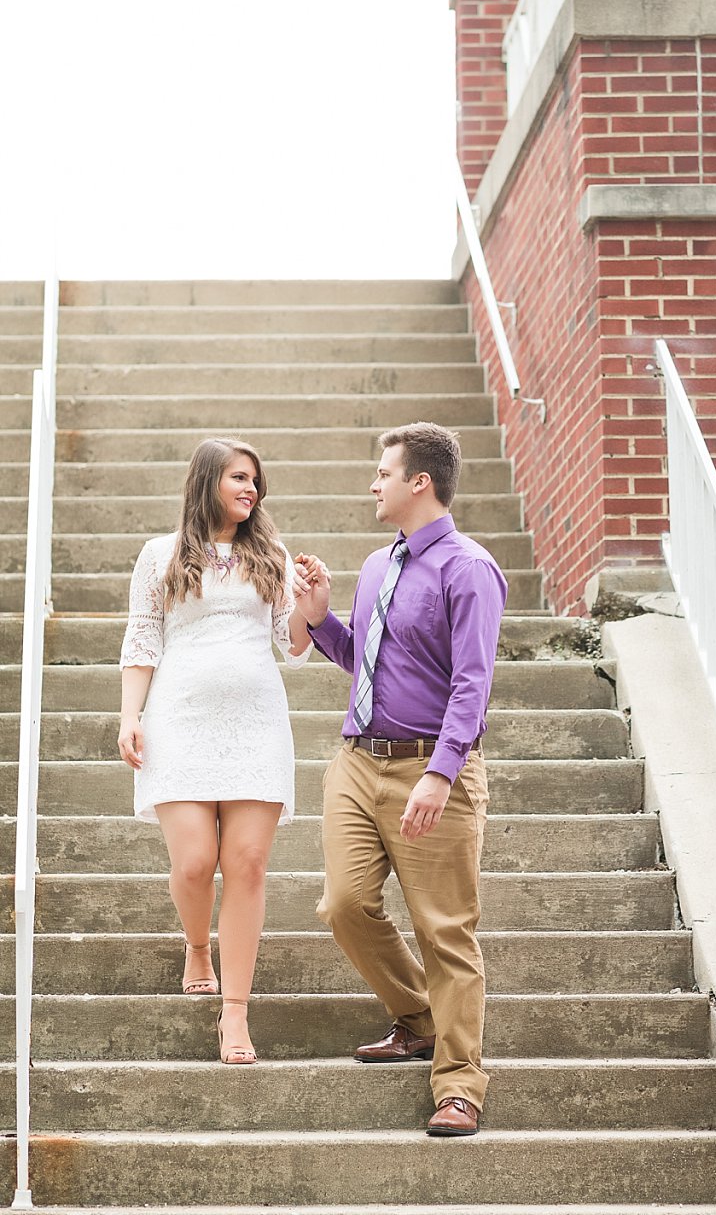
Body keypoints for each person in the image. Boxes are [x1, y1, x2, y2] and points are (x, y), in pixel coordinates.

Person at [294, 421, 506, 1138]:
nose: (373, 484)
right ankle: (418, 1016)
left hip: (431, 766)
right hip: (358, 762)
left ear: (420, 482)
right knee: (343, 904)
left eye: (383, 473)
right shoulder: (378, 565)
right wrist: (320, 620)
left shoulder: (468, 569)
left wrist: (441, 774)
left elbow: (472, 684)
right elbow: (365, 660)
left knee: (445, 930)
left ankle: (459, 1085)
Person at [119, 437, 313, 1065]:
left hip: (256, 724)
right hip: (179, 721)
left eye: (255, 480)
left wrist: (313, 605)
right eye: (238, 477)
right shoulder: (161, 554)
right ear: (207, 481)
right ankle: (198, 945)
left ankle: (235, 1012)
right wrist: (130, 717)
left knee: (248, 863)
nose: (251, 489)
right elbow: (143, 638)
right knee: (196, 863)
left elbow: (293, 644)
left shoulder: (271, 554)